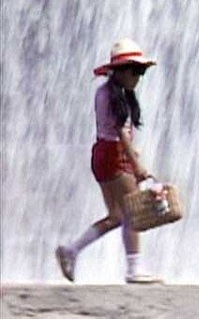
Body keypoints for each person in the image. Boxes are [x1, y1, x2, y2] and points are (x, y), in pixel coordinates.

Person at [56, 38, 160, 284]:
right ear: (120, 71)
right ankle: (134, 268)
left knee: (116, 216)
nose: (139, 77)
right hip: (114, 155)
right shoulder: (115, 96)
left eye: (142, 71)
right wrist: (137, 165)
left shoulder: (105, 92)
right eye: (136, 70)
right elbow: (121, 133)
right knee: (133, 211)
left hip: (102, 154)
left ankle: (71, 250)